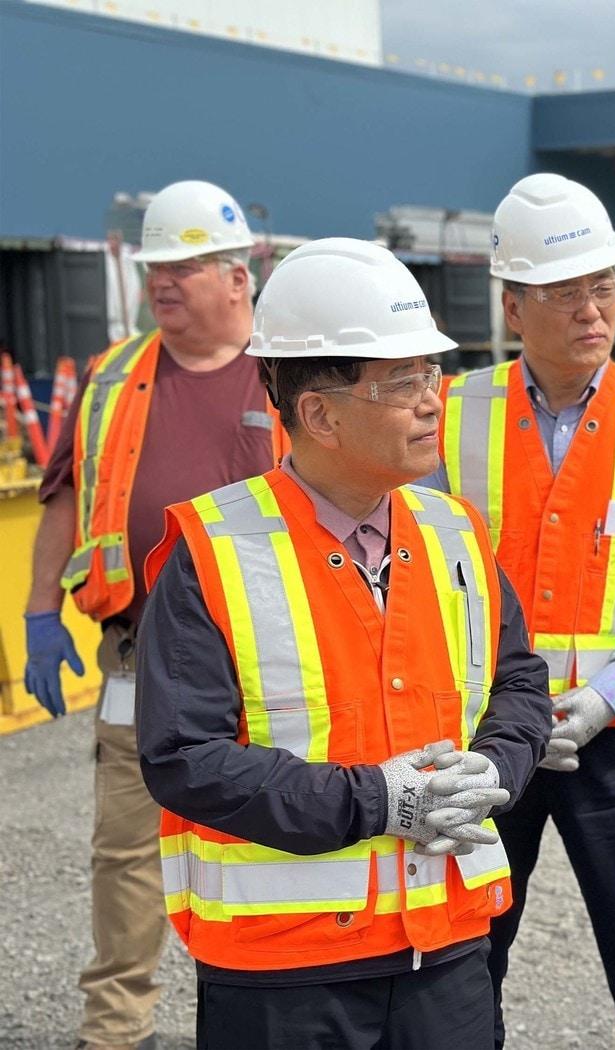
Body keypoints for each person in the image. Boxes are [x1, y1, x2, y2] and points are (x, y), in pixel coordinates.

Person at [136, 238, 553, 1049]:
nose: (432, 401)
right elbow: (183, 756)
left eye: (431, 373)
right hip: (284, 972)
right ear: (319, 414)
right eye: (401, 382)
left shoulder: (455, 531)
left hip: (445, 948)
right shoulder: (214, 549)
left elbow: (518, 683)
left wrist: (497, 769)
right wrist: (377, 801)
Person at [433, 172, 615, 1049]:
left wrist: (607, 698)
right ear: (513, 306)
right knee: (465, 959)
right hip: (483, 734)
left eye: (604, 286)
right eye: (565, 292)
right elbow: (418, 572)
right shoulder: (449, 414)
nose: (593, 311)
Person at [23, 179, 282, 1050]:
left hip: (265, 664)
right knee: (127, 856)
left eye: (182, 267)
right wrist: (39, 610)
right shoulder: (111, 376)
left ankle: (259, 1021)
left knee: (262, 847)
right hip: (139, 657)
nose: (161, 282)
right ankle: (113, 1030)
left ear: (238, 278)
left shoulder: (285, 369)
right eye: (153, 267)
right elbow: (65, 497)